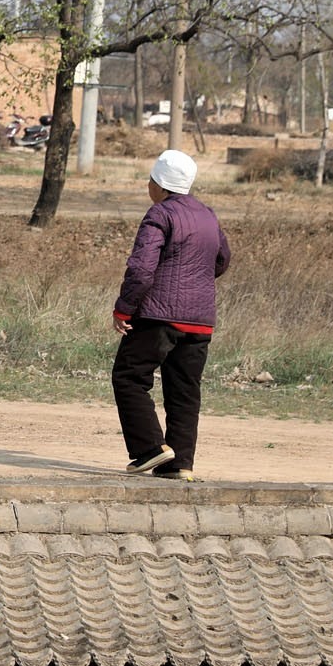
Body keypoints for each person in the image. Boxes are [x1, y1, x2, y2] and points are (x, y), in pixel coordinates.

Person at [110, 149, 230, 480]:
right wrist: (194, 285)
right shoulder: (208, 215)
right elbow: (221, 261)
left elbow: (142, 268)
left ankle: (150, 449)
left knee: (129, 377)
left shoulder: (160, 214)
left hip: (158, 316)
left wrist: (124, 307)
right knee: (184, 392)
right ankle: (179, 465)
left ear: (160, 184)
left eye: (150, 180)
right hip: (201, 321)